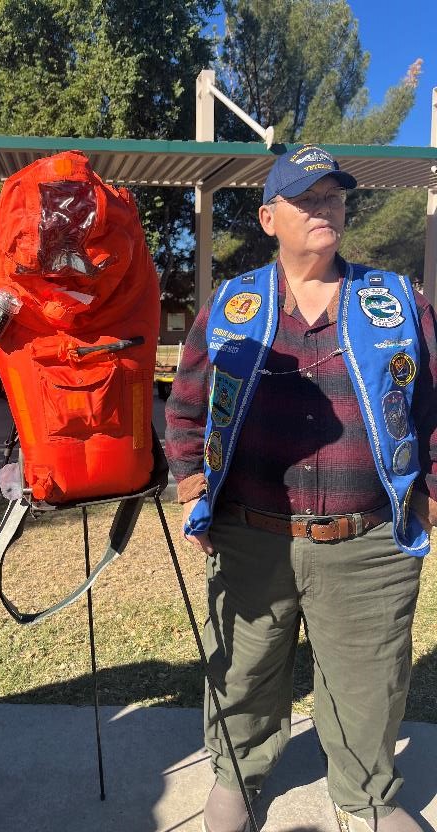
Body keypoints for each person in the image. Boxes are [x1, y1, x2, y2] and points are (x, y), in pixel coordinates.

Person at [165, 144, 437, 832]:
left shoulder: (396, 302)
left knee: (368, 681)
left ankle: (368, 797)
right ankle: (237, 776)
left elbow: (434, 406)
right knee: (245, 668)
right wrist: (191, 483)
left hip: (368, 538)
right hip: (252, 534)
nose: (326, 208)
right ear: (268, 217)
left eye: (335, 197)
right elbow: (187, 405)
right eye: (307, 198)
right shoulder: (233, 306)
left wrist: (433, 493)